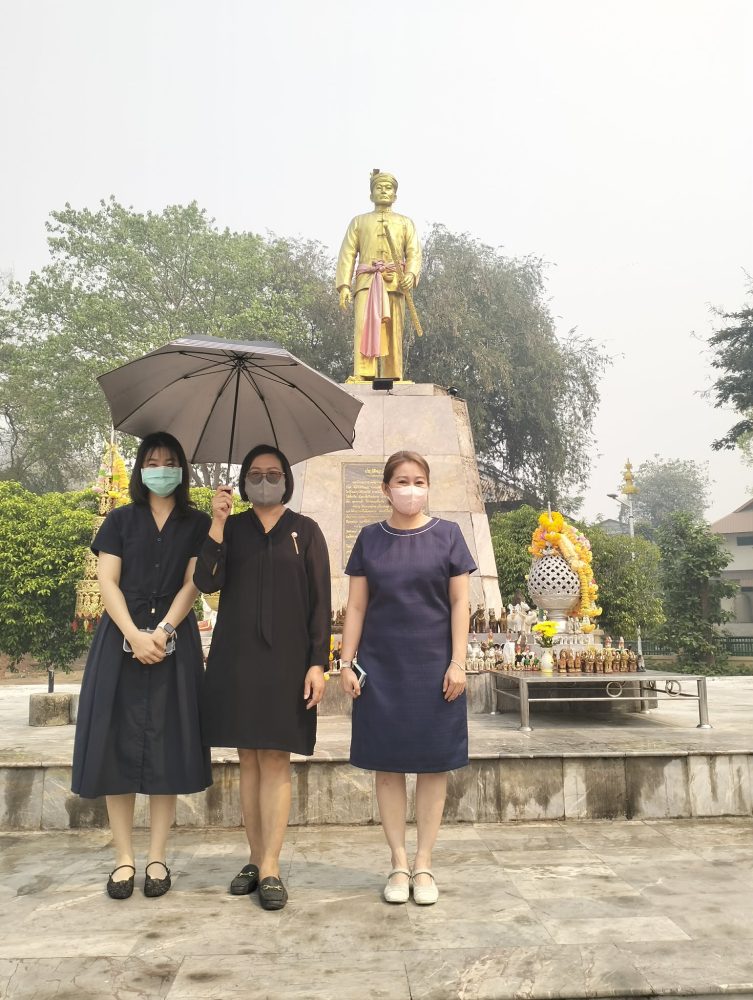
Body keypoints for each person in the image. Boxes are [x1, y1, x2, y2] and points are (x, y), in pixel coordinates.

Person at [72, 432, 212, 900]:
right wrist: (133, 634)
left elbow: (194, 582)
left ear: (182, 470)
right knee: (118, 745)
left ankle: (156, 857)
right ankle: (124, 858)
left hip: (174, 640)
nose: (161, 469)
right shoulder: (119, 519)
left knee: (166, 746)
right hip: (119, 639)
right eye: (152, 461)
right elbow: (107, 581)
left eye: (170, 461)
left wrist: (165, 631)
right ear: (139, 468)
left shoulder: (197, 523)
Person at [195, 445, 331, 911]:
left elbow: (320, 604)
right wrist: (216, 523)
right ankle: (254, 858)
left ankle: (271, 865)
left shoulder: (305, 532)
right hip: (236, 658)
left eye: (274, 473)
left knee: (275, 757)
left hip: (288, 661)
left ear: (286, 479)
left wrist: (318, 663)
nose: (265, 480)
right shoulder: (231, 528)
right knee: (248, 759)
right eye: (255, 473)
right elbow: (207, 582)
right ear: (243, 480)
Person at [340, 450, 477, 905]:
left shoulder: (449, 535)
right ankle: (398, 863)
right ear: (386, 489)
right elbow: (356, 606)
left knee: (434, 767)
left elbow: (460, 603)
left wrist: (458, 662)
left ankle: (424, 864)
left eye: (419, 481)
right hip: (381, 668)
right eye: (402, 481)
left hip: (435, 669)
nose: (411, 489)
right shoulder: (369, 539)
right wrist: (346, 662)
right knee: (388, 766)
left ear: (428, 486)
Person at [336, 169, 422, 381]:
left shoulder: (405, 222)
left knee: (393, 330)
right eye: (379, 188)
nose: (383, 191)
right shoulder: (358, 221)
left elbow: (414, 252)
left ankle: (393, 374)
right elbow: (347, 253)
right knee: (364, 327)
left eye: (388, 188)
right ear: (371, 194)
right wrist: (344, 285)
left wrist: (411, 273)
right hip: (367, 282)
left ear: (395, 195)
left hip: (395, 282)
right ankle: (363, 373)